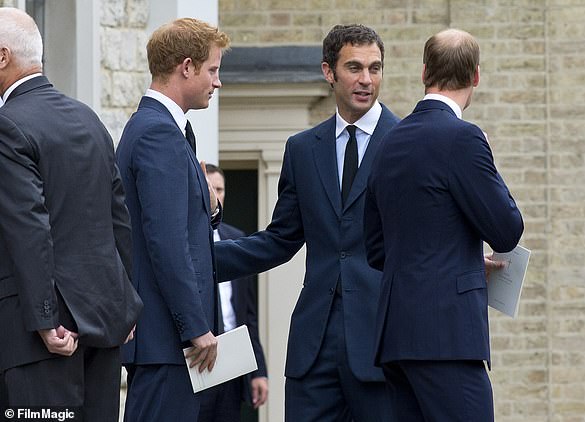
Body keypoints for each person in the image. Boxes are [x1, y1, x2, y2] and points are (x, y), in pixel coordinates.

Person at [214, 24, 399, 421]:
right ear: (328, 72)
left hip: (383, 345)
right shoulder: (301, 149)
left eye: (375, 68)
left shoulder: (405, 143)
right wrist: (202, 260)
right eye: (354, 67)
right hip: (314, 350)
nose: (366, 79)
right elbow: (280, 239)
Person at [363, 28, 525, 421]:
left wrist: (455, 258)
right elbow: (506, 229)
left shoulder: (388, 141)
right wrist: (487, 154)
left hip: (397, 337)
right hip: (448, 337)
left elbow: (377, 247)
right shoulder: (464, 138)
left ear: (423, 72)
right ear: (476, 77)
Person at [0, 7, 142, 421]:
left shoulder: (7, 125)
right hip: (102, 327)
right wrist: (124, 305)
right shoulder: (89, 119)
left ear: (3, 56)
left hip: (43, 339)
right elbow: (119, 218)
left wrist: (45, 320)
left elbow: (29, 226)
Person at [116, 18, 229, 422]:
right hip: (167, 342)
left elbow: (183, 226)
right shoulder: (157, 133)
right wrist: (195, 328)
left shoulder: (167, 129)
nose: (218, 83)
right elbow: (166, 242)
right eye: (213, 70)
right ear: (186, 66)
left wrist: (210, 207)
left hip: (167, 342)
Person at [197, 164, 268, 422]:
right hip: (197, 359)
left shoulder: (236, 239)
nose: (216, 194)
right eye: (210, 188)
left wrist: (259, 370)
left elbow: (248, 314)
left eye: (220, 189)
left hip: (232, 362)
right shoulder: (185, 240)